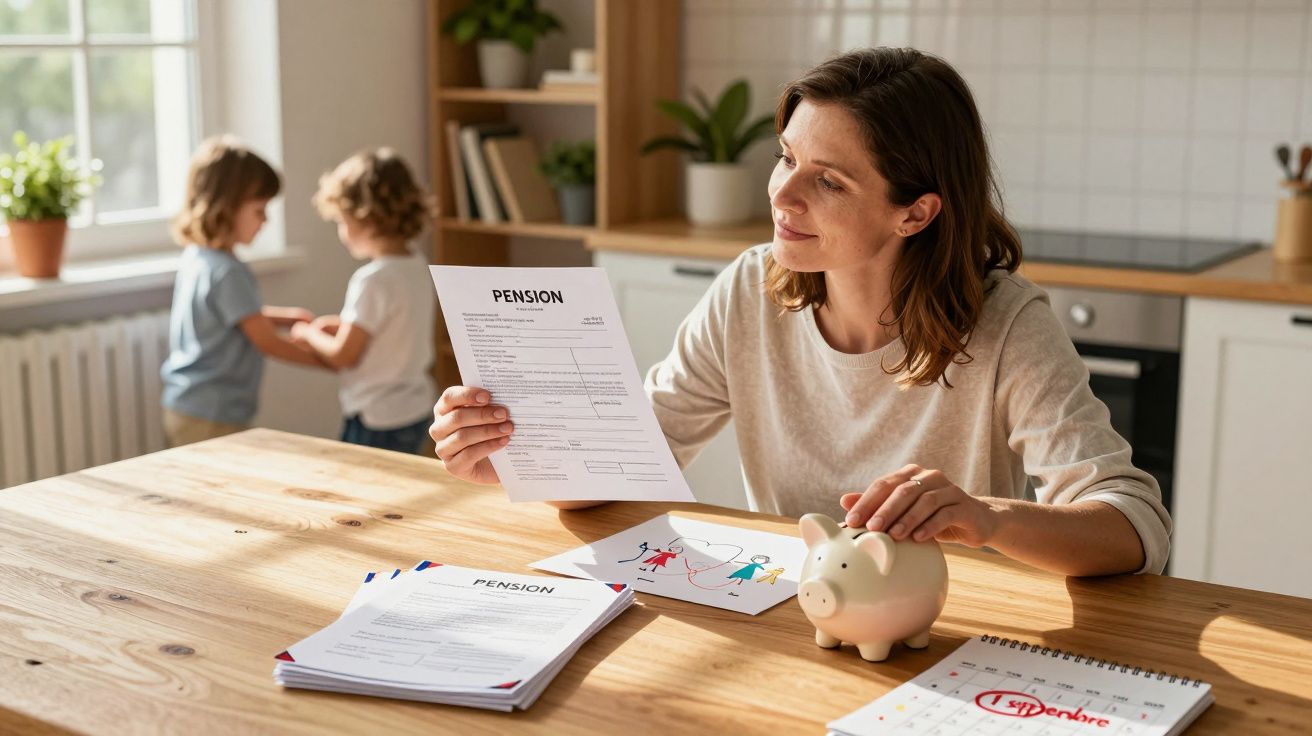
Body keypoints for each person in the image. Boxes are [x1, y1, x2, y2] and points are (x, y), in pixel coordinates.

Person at [428, 48, 1171, 577]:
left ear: (914, 213)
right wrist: (517, 455)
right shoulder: (751, 290)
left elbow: (1136, 526)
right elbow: (623, 464)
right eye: (786, 157)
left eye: (829, 182)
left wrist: (988, 519)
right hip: (791, 610)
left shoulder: (1006, 323)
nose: (782, 195)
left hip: (946, 629)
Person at [160, 136, 323, 447]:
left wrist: (285, 317)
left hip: (187, 405)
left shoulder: (200, 257)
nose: (265, 220)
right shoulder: (228, 271)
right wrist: (327, 359)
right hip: (214, 414)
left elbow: (230, 316)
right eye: (260, 210)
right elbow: (267, 342)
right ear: (226, 207)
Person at [290, 148, 437, 454]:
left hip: (375, 416)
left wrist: (309, 334)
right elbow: (390, 330)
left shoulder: (372, 280)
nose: (342, 233)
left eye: (343, 222)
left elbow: (344, 355)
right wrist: (345, 326)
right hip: (415, 408)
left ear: (366, 219)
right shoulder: (416, 265)